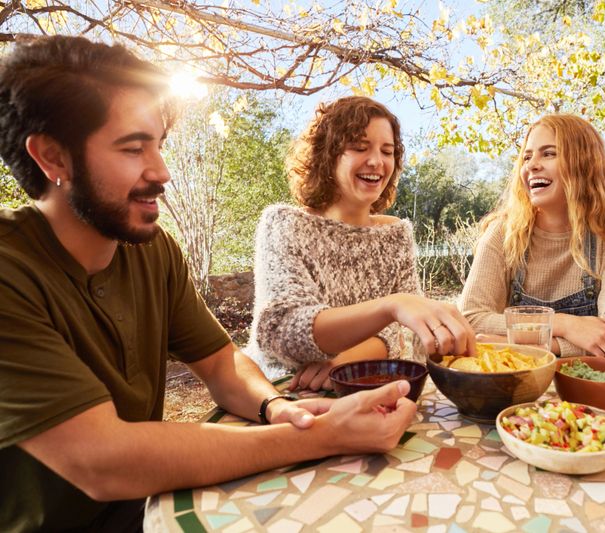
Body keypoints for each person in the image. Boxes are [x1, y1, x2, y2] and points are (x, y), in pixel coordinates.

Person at [0, 36, 418, 532]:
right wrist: (322, 435)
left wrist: (277, 407)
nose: (162, 171)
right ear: (53, 158)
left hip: (150, 505)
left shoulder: (152, 251)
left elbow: (221, 363)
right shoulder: (10, 269)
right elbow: (102, 461)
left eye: (158, 145)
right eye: (133, 148)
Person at [245, 96, 476, 390]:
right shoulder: (284, 225)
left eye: (387, 151)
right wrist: (391, 307)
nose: (377, 162)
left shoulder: (395, 234)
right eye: (359, 147)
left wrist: (351, 359)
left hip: (372, 387)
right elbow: (282, 332)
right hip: (285, 395)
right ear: (327, 155)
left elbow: (408, 338)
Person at [460, 114, 605, 358]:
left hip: (586, 385)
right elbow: (471, 318)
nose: (532, 165)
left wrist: (518, 345)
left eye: (549, 153)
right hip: (517, 381)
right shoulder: (503, 232)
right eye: (527, 156)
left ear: (585, 164)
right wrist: (565, 324)